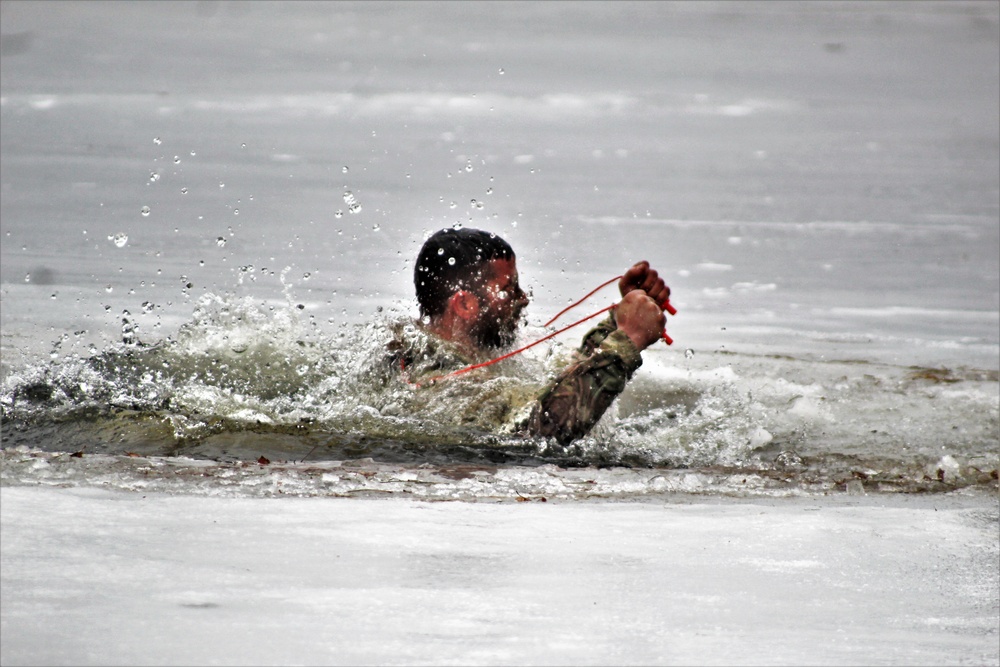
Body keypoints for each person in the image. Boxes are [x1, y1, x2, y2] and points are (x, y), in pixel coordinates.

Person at [393, 227, 670, 445]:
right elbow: (537, 433)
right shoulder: (436, 381)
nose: (523, 299)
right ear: (465, 305)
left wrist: (618, 324)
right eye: (509, 289)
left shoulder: (464, 359)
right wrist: (625, 343)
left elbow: (555, 394)